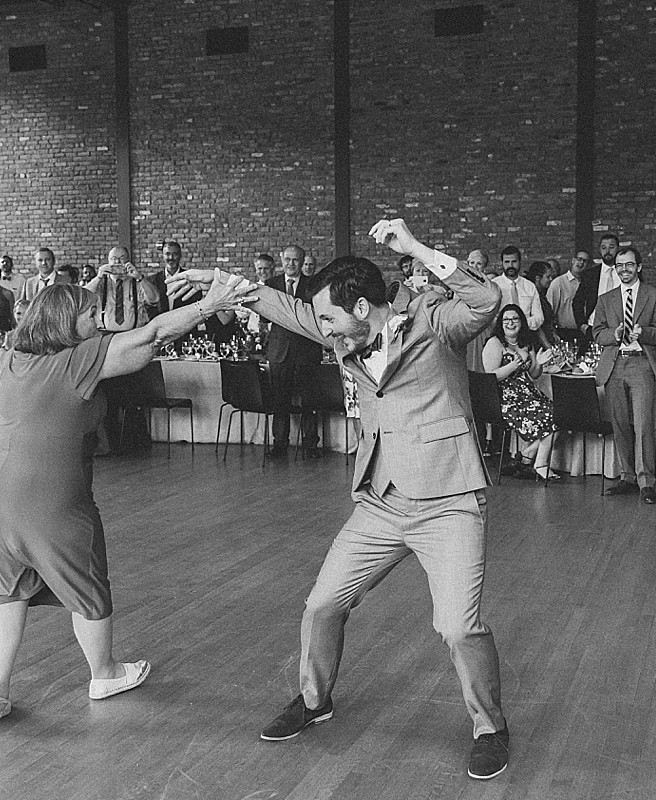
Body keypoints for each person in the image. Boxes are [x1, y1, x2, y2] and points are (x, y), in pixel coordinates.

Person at [169, 218, 512, 780]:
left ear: (360, 307)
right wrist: (224, 281)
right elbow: (290, 309)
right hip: (380, 500)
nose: (323, 329)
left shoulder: (433, 322)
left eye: (330, 317)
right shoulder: (341, 328)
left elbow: (487, 297)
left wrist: (418, 249)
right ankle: (314, 700)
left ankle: (490, 726)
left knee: (457, 627)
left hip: (448, 501)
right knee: (321, 605)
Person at [0, 272, 256, 722]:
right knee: (86, 579)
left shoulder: (16, 358)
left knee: (7, 588)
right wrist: (209, 305)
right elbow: (153, 334)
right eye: (90, 314)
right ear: (65, 321)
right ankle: (104, 673)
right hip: (45, 491)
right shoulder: (78, 360)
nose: (98, 320)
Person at [592, 247, 656, 504]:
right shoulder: (605, 298)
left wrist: (644, 333)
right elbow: (596, 333)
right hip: (614, 364)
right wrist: (613, 335)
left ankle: (646, 481)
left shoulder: (655, 295)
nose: (624, 269)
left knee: (644, 424)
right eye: (619, 265)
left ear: (639, 267)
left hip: (641, 365)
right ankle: (626, 476)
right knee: (619, 423)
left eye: (629, 265)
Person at [482, 303, 560, 481]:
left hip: (530, 395)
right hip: (506, 399)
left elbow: (534, 374)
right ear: (501, 323)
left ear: (521, 322)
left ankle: (525, 456)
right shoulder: (494, 343)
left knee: (560, 413)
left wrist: (538, 362)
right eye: (506, 320)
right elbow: (491, 377)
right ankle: (540, 464)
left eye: (515, 319)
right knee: (550, 417)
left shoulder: (526, 343)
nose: (511, 323)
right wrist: (512, 365)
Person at [263, 245, 322, 457]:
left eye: (295, 260)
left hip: (307, 352)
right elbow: (263, 316)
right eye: (287, 259)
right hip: (279, 352)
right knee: (280, 401)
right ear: (281, 259)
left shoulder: (314, 285)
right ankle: (279, 444)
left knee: (309, 401)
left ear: (302, 261)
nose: (291, 264)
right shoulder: (270, 285)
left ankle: (310, 446)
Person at [85, 246, 160, 332]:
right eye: (114, 259)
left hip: (134, 334)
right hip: (105, 335)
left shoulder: (137, 282)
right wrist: (98, 278)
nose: (118, 262)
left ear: (128, 260)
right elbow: (83, 298)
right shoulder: (100, 282)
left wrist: (140, 278)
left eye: (122, 258)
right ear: (108, 261)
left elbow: (155, 299)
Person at [573, 233, 621, 342]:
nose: (607, 251)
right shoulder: (590, 274)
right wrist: (582, 325)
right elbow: (577, 301)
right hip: (594, 327)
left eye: (611, 247)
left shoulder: (625, 273)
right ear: (599, 250)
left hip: (619, 327)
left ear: (618, 249)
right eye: (604, 248)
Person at [492, 246, 544, 330]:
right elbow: (489, 316)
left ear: (520, 262)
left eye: (514, 261)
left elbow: (539, 316)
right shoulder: (494, 285)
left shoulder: (529, 286)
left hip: (527, 333)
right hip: (500, 334)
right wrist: (507, 326)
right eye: (507, 262)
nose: (510, 265)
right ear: (502, 263)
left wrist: (522, 324)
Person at [547, 250, 589, 342]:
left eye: (585, 261)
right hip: (564, 333)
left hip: (584, 332)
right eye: (579, 259)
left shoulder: (588, 283)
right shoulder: (559, 283)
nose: (581, 263)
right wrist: (552, 332)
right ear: (573, 260)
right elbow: (549, 311)